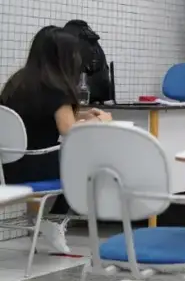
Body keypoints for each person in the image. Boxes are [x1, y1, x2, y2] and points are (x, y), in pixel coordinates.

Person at [0, 26, 112, 253]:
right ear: (65, 57)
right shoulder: (57, 88)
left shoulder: (17, 82)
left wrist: (82, 114)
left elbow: (38, 115)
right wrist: (102, 120)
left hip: (11, 169)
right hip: (39, 170)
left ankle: (50, 220)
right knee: (94, 165)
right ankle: (55, 220)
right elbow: (69, 130)